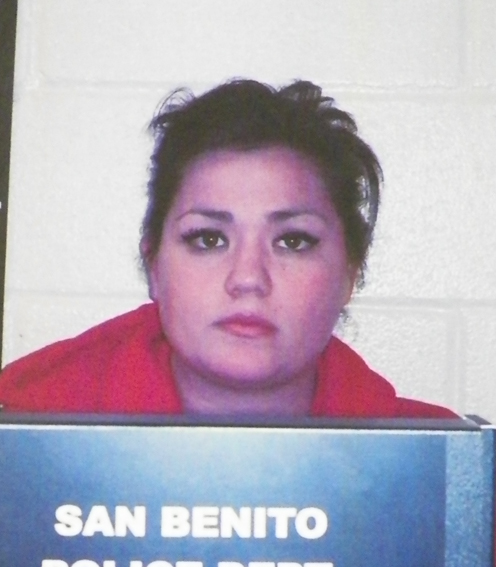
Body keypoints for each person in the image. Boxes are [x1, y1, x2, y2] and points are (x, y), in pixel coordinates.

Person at [0, 79, 456, 418]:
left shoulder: (446, 476)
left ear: (349, 275)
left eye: (293, 241)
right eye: (209, 239)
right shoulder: (20, 442)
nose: (248, 279)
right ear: (153, 265)